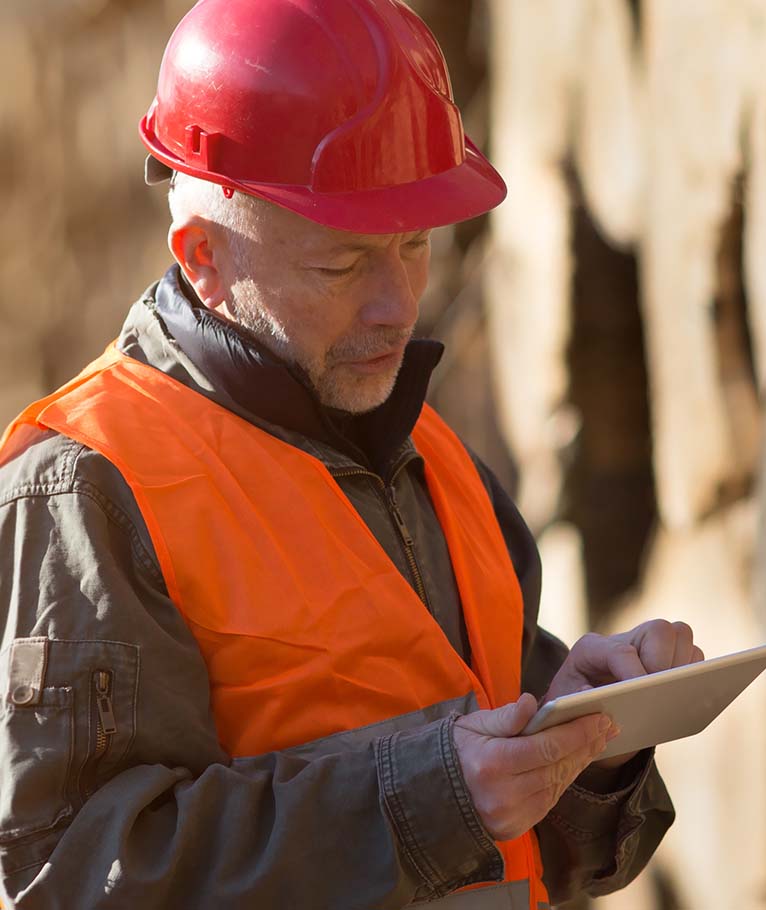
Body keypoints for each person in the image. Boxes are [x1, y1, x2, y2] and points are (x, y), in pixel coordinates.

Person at [0, 0, 703, 907]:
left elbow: (535, 850)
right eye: (342, 265)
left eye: (414, 247)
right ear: (202, 255)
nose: (396, 304)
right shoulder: (85, 488)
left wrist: (590, 738)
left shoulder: (435, 458)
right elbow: (67, 879)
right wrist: (426, 801)